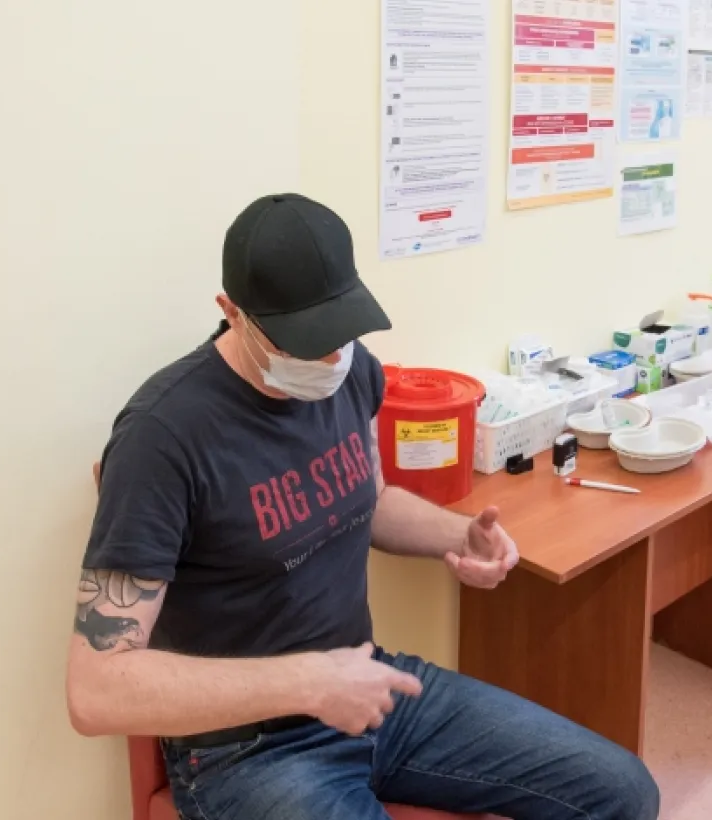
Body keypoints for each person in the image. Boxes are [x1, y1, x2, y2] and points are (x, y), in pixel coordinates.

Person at [66, 193, 660, 820]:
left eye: (340, 332)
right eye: (306, 341)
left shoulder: (353, 374)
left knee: (623, 793)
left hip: (369, 688)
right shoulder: (163, 437)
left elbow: (368, 500)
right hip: (246, 750)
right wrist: (309, 684)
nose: (331, 358)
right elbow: (96, 689)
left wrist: (458, 536)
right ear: (231, 313)